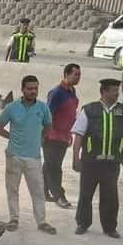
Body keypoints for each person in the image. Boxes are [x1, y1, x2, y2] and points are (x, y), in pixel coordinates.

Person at [0, 74, 57, 233]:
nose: (33, 91)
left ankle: (42, 222)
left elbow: (49, 126)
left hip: (34, 157)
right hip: (14, 155)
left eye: (35, 88)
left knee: (37, 191)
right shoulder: (12, 107)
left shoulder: (42, 108)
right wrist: (12, 137)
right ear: (22, 90)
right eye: (29, 88)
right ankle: (14, 219)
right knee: (12, 189)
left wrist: (40, 137)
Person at [71, 78, 123, 237]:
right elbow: (78, 136)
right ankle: (83, 223)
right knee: (85, 194)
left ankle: (110, 227)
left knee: (110, 196)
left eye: (117, 91)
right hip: (90, 161)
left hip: (112, 163)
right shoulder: (90, 110)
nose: (116, 94)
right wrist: (76, 158)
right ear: (104, 91)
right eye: (113, 91)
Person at [43, 62, 80, 207]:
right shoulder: (57, 92)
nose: (78, 77)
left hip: (64, 136)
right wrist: (45, 134)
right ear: (66, 74)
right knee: (54, 168)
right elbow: (47, 115)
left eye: (79, 75)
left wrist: (70, 134)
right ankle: (59, 195)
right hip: (53, 136)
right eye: (75, 74)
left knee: (50, 165)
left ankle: (43, 191)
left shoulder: (72, 91)